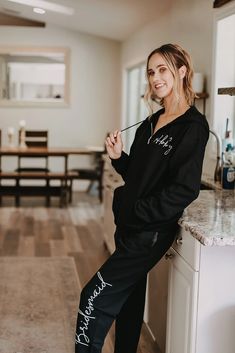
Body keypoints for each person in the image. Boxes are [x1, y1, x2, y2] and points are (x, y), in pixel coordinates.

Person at [74, 43, 209, 353]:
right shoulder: (149, 122)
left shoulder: (192, 127)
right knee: (128, 302)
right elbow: (136, 174)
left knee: (92, 298)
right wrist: (119, 157)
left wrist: (137, 210)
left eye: (162, 69)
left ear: (182, 72)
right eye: (151, 72)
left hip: (150, 232)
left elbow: (184, 189)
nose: (155, 77)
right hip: (129, 226)